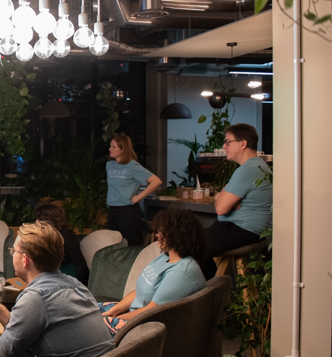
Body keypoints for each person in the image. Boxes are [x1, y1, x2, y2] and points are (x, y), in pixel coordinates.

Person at [0, 221, 113, 357]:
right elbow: (22, 329)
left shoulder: (36, 297)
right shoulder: (75, 284)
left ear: (24, 260)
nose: (12, 254)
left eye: (13, 251)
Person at [99, 208, 206, 335]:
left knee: (89, 326)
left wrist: (114, 319)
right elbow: (138, 292)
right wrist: (114, 311)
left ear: (177, 234)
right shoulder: (165, 257)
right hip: (133, 313)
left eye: (162, 232)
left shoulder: (181, 271)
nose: (157, 235)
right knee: (85, 311)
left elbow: (151, 312)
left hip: (143, 324)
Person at [199, 123, 272, 279]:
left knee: (188, 246)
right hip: (247, 230)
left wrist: (222, 197)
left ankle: (208, 294)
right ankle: (210, 289)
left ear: (243, 143)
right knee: (192, 239)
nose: (224, 146)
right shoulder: (258, 166)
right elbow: (222, 200)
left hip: (241, 230)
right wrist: (223, 195)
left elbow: (221, 208)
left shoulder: (247, 170)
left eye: (228, 142)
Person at [106, 134, 161, 246]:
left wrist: (139, 196)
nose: (110, 149)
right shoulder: (109, 165)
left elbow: (156, 181)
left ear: (123, 149)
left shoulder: (132, 166)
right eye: (110, 146)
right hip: (112, 210)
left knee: (131, 244)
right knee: (114, 244)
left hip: (128, 211)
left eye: (113, 147)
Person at [34, 203, 89, 285]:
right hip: (56, 270)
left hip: (70, 271)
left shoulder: (66, 236)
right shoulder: (47, 235)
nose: (36, 221)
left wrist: (77, 285)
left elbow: (80, 264)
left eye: (39, 219)